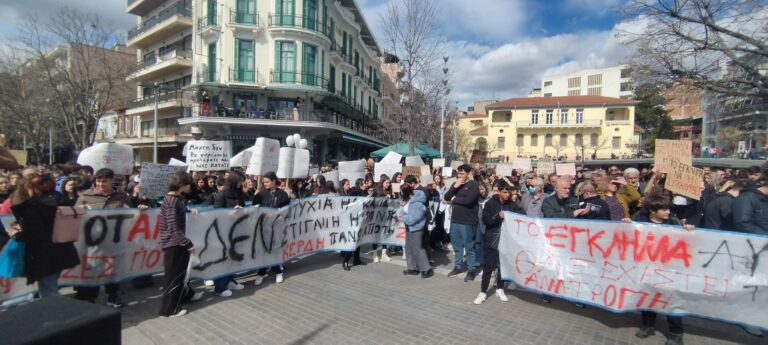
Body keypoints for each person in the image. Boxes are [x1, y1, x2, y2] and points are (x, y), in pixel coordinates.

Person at [630, 195, 694, 345]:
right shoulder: (640, 219)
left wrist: (688, 230)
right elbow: (629, 232)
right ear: (653, 210)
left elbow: (684, 241)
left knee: (671, 300)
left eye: (669, 209)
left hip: (668, 269)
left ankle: (676, 333)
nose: (668, 212)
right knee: (648, 296)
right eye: (664, 209)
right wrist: (626, 223)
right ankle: (648, 325)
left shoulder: (673, 222)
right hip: (647, 266)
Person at [7, 173, 79, 298]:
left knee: (48, 290)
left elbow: (34, 233)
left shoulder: (32, 206)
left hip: (43, 254)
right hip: (63, 249)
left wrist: (16, 234)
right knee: (49, 286)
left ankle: (54, 315)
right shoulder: (59, 199)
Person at [74, 168, 134, 307]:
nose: (101, 184)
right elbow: (75, 215)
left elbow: (130, 214)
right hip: (94, 241)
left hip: (115, 239)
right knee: (94, 268)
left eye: (104, 181)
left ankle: (113, 295)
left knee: (113, 268)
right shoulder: (86, 196)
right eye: (98, 181)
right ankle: (91, 297)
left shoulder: (122, 196)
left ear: (112, 180)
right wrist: (80, 211)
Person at [158, 171, 202, 317]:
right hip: (174, 244)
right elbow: (173, 227)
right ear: (182, 184)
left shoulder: (175, 199)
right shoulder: (172, 201)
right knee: (174, 277)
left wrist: (189, 210)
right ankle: (170, 309)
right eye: (189, 183)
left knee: (179, 275)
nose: (190, 186)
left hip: (174, 243)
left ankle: (185, 296)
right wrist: (187, 243)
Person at [473, 181, 513, 305]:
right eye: (505, 192)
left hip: (506, 241)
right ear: (499, 192)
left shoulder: (511, 205)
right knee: (488, 267)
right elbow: (486, 221)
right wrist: (497, 217)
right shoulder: (490, 203)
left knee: (502, 266)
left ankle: (499, 288)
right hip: (491, 240)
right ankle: (483, 292)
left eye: (509, 192)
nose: (507, 195)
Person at [211, 174, 247, 296]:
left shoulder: (238, 193)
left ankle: (230, 280)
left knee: (233, 258)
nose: (241, 184)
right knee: (223, 259)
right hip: (224, 230)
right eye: (240, 181)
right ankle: (219, 287)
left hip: (236, 229)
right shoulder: (221, 194)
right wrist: (231, 213)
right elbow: (217, 213)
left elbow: (243, 207)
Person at [444, 164, 481, 282]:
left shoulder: (474, 185)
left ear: (468, 173)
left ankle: (471, 270)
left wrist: (454, 200)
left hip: (468, 221)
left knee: (469, 246)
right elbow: (446, 197)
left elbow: (469, 201)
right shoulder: (456, 184)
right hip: (455, 219)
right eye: (458, 173)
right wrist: (455, 186)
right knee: (456, 245)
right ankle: (458, 266)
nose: (459, 175)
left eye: (462, 173)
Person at [252, 172, 290, 282]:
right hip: (264, 226)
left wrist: (277, 213)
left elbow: (286, 209)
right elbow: (254, 207)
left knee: (275, 249)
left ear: (274, 181)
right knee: (264, 249)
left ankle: (278, 271)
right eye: (263, 182)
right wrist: (256, 196)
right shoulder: (262, 193)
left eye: (267, 182)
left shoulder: (282, 193)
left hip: (277, 225)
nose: (265, 184)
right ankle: (261, 273)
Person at [399, 185, 433, 278]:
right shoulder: (410, 201)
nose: (400, 194)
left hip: (416, 228)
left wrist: (402, 218)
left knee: (418, 249)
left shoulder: (417, 204)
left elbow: (413, 218)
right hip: (410, 228)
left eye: (402, 192)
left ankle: (426, 269)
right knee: (409, 248)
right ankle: (412, 268)